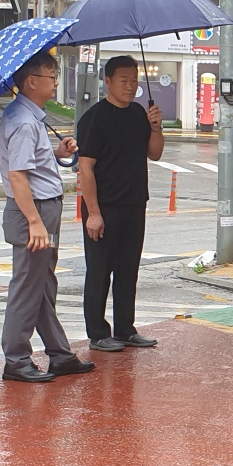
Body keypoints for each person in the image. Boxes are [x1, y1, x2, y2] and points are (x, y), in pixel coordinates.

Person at [0, 51, 94, 384]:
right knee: (28, 284)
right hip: (34, 212)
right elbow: (18, 176)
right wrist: (35, 222)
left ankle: (59, 353)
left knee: (42, 281)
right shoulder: (24, 121)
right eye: (52, 78)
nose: (55, 84)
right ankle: (16, 358)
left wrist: (57, 153)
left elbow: (31, 161)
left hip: (43, 208)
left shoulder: (29, 117)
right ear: (32, 82)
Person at [76, 54, 164, 353]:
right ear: (108, 81)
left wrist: (155, 127)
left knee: (128, 269)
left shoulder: (139, 114)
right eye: (124, 81)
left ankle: (125, 328)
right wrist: (94, 213)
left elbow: (155, 154)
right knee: (100, 271)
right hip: (103, 206)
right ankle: (98, 333)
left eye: (134, 81)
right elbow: (85, 169)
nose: (130, 87)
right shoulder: (94, 118)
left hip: (134, 204)